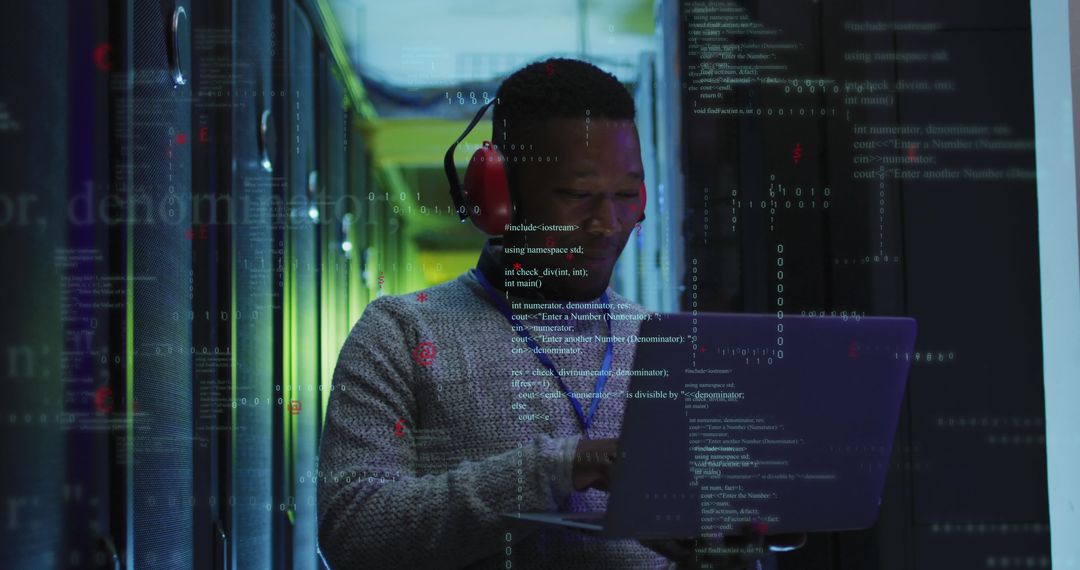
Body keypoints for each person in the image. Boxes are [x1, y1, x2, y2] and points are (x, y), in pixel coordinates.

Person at [316, 58, 800, 569]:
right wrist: (559, 467)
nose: (608, 224)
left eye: (626, 195)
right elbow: (353, 531)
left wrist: (735, 544)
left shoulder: (665, 346)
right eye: (578, 195)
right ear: (497, 196)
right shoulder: (399, 333)